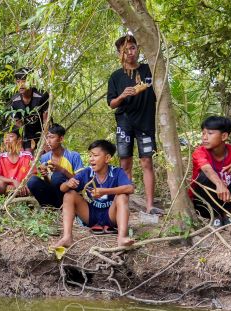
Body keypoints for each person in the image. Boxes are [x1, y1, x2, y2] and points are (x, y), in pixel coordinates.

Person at [107, 34, 160, 215]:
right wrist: (122, 95)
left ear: (138, 49)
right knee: (125, 163)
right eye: (124, 50)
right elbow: (111, 103)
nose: (129, 52)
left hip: (145, 122)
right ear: (119, 53)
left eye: (132, 48)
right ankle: (124, 204)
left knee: (147, 161)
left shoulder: (148, 69)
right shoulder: (115, 76)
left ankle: (150, 205)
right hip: (124, 123)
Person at [55, 140, 135, 248]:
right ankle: (67, 237)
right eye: (90, 156)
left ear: (107, 158)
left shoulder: (117, 172)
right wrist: (68, 183)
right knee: (69, 195)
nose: (91, 159)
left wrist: (105, 191)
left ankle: (122, 237)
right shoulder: (87, 172)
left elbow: (130, 188)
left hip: (111, 215)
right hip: (90, 215)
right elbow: (62, 188)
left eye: (95, 155)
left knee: (122, 196)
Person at [190, 116, 231, 227]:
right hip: (204, 203)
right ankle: (215, 217)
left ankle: (229, 215)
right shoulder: (200, 152)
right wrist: (219, 184)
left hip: (227, 201)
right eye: (203, 133)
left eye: (210, 133)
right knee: (204, 176)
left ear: (224, 136)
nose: (204, 137)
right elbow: (206, 169)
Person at [27, 123, 84, 207]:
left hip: (69, 194)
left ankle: (64, 206)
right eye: (47, 137)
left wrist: (62, 170)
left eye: (52, 137)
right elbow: (50, 184)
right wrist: (45, 176)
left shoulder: (73, 156)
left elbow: (81, 183)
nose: (48, 141)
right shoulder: (45, 157)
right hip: (53, 195)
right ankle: (48, 206)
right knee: (32, 181)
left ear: (61, 139)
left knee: (58, 176)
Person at [11, 68, 50, 150]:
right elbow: (18, 123)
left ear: (31, 82)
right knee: (26, 153)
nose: (21, 84)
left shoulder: (41, 96)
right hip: (27, 132)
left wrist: (45, 140)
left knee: (46, 151)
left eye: (24, 81)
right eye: (18, 82)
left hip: (42, 128)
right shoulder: (15, 100)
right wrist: (20, 143)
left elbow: (46, 120)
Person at [0, 129, 34, 196]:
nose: (7, 140)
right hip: (8, 187)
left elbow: (33, 174)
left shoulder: (27, 155)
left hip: (24, 186)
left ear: (19, 140)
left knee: (33, 184)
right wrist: (13, 181)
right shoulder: (0, 157)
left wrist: (23, 185)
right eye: (5, 137)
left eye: (11, 136)